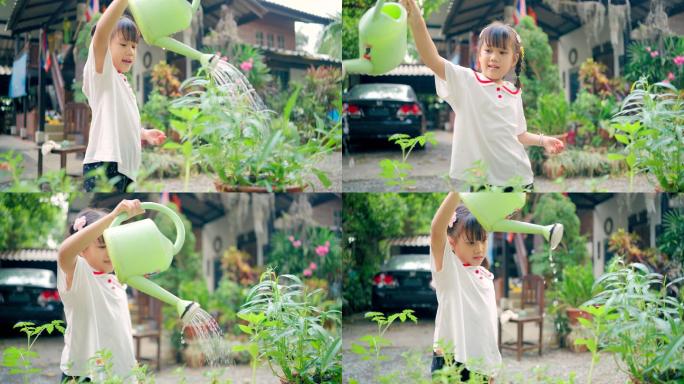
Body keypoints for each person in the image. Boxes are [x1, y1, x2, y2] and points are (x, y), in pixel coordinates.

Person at [400, 0, 565, 191]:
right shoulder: (467, 81)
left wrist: (544, 141)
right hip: (481, 180)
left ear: (513, 59)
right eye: (488, 50)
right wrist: (416, 19)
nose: (494, 57)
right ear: (479, 55)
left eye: (502, 52)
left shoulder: (513, 92)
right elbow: (431, 59)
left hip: (518, 178)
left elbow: (518, 135)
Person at [82, 0, 166, 192]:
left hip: (126, 169)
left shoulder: (122, 83)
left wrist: (143, 133)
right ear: (104, 47)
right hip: (104, 163)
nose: (130, 51)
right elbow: (101, 34)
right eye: (123, 44)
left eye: (134, 46)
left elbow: (122, 121)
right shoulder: (102, 74)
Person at [57, 199, 145, 382]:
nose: (109, 252)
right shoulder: (78, 274)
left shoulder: (116, 281)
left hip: (119, 375)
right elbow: (64, 252)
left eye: (112, 244)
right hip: (83, 375)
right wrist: (113, 216)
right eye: (102, 246)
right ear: (82, 250)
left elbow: (121, 335)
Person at [430, 192, 501, 381]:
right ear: (452, 243)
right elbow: (437, 230)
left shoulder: (484, 276)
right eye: (471, 242)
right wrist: (457, 189)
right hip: (451, 362)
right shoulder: (450, 273)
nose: (479, 249)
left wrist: (490, 370)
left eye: (483, 240)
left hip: (480, 365)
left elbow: (488, 329)